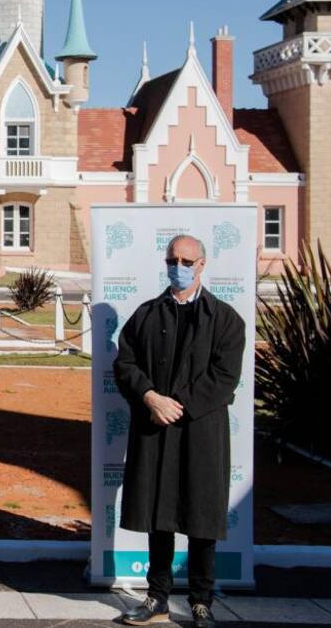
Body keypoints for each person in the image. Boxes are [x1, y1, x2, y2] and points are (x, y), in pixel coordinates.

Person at [113, 235, 245, 628]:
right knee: (160, 514)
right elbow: (126, 364)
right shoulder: (146, 314)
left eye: (187, 260)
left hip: (201, 431)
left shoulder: (225, 319)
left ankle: (202, 601)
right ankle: (157, 597)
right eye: (172, 259)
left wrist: (178, 405)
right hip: (155, 427)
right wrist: (151, 398)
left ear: (202, 264)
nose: (179, 265)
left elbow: (224, 377)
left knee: (201, 516)